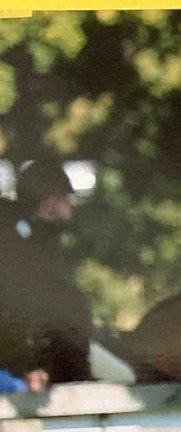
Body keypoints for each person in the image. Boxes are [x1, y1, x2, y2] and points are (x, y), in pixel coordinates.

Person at [0, 159, 94, 388]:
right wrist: (29, 366)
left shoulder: (37, 240)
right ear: (50, 202)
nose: (71, 205)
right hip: (39, 363)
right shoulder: (24, 246)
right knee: (124, 375)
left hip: (45, 356)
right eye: (66, 198)